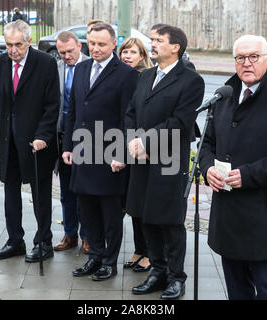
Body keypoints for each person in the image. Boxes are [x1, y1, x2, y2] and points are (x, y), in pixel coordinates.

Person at [199, 35, 267, 300]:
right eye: (240, 58)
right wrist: (207, 169)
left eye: (253, 57)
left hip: (264, 216)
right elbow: (206, 144)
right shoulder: (223, 95)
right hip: (228, 214)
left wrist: (248, 175)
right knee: (237, 290)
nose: (246, 63)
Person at [125, 25, 205, 300]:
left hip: (169, 161)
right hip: (141, 160)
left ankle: (176, 277)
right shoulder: (146, 75)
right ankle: (157, 271)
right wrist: (134, 141)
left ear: (176, 47)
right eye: (152, 40)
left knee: (169, 221)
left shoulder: (191, 80)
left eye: (159, 40)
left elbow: (180, 122)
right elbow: (132, 112)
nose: (153, 44)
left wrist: (146, 142)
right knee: (146, 216)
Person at [63, 23, 138, 281]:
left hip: (109, 156)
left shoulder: (127, 75)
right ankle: (94, 257)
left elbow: (128, 118)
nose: (95, 48)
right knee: (87, 211)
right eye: (92, 43)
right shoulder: (81, 68)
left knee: (110, 214)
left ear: (114, 45)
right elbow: (73, 111)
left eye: (102, 44)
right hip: (83, 152)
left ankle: (109, 261)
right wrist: (68, 147)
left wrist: (122, 154)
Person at [0, 20, 60, 262]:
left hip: (36, 144)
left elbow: (52, 106)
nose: (13, 50)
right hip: (8, 142)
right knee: (10, 193)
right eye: (8, 45)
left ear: (29, 41)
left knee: (41, 195)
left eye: (18, 44)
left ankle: (43, 242)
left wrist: (43, 136)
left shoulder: (46, 63)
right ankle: (15, 240)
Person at [118, 37, 153, 273]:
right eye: (124, 52)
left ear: (142, 56)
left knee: (145, 203)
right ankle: (139, 249)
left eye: (132, 52)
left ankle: (150, 252)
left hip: (145, 147)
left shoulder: (146, 77)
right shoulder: (123, 75)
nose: (127, 56)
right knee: (132, 203)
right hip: (127, 143)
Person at [54, 31, 90, 254]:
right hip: (62, 135)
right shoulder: (56, 67)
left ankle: (88, 235)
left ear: (79, 46)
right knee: (66, 190)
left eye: (70, 51)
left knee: (85, 190)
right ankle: (70, 234)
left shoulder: (92, 65)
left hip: (86, 135)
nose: (66, 56)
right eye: (62, 52)